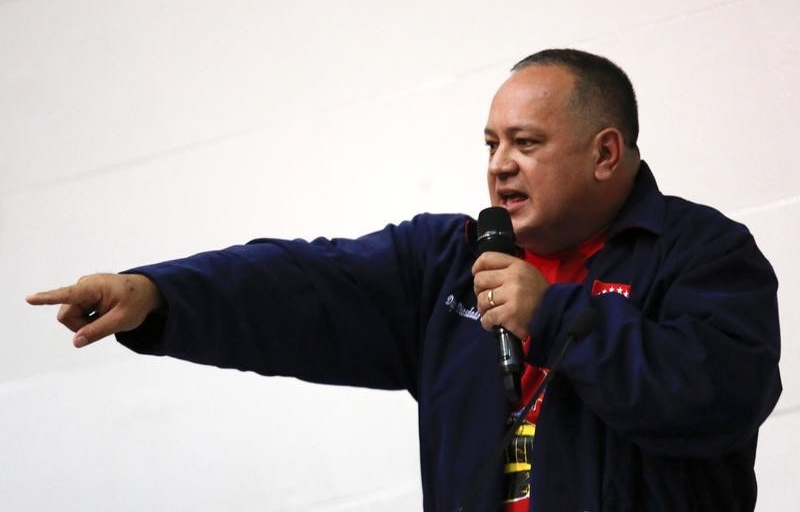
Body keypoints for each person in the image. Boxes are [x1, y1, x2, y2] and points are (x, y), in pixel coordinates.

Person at [27, 49, 782, 512]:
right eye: (491, 143)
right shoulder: (445, 264)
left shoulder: (701, 252)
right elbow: (300, 286)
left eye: (526, 142)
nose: (498, 164)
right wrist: (160, 295)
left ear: (606, 152)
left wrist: (553, 316)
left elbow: (719, 391)